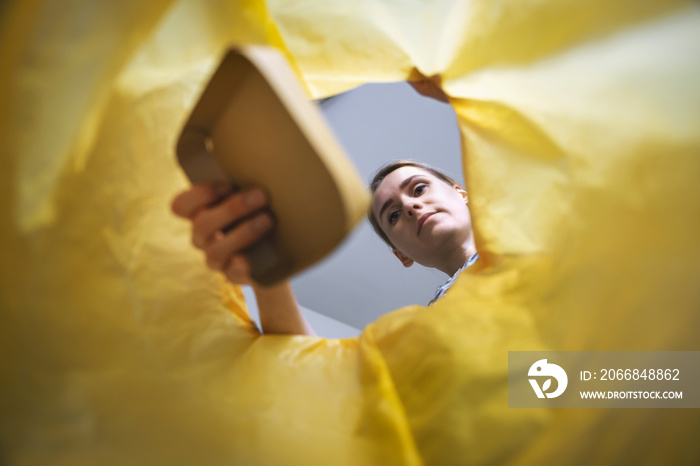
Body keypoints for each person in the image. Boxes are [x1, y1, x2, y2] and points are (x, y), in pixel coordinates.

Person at [171, 161, 476, 336]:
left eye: (419, 188)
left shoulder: (522, 243)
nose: (410, 205)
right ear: (401, 254)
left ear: (462, 194)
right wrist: (264, 266)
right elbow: (327, 382)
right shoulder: (431, 325)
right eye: (393, 215)